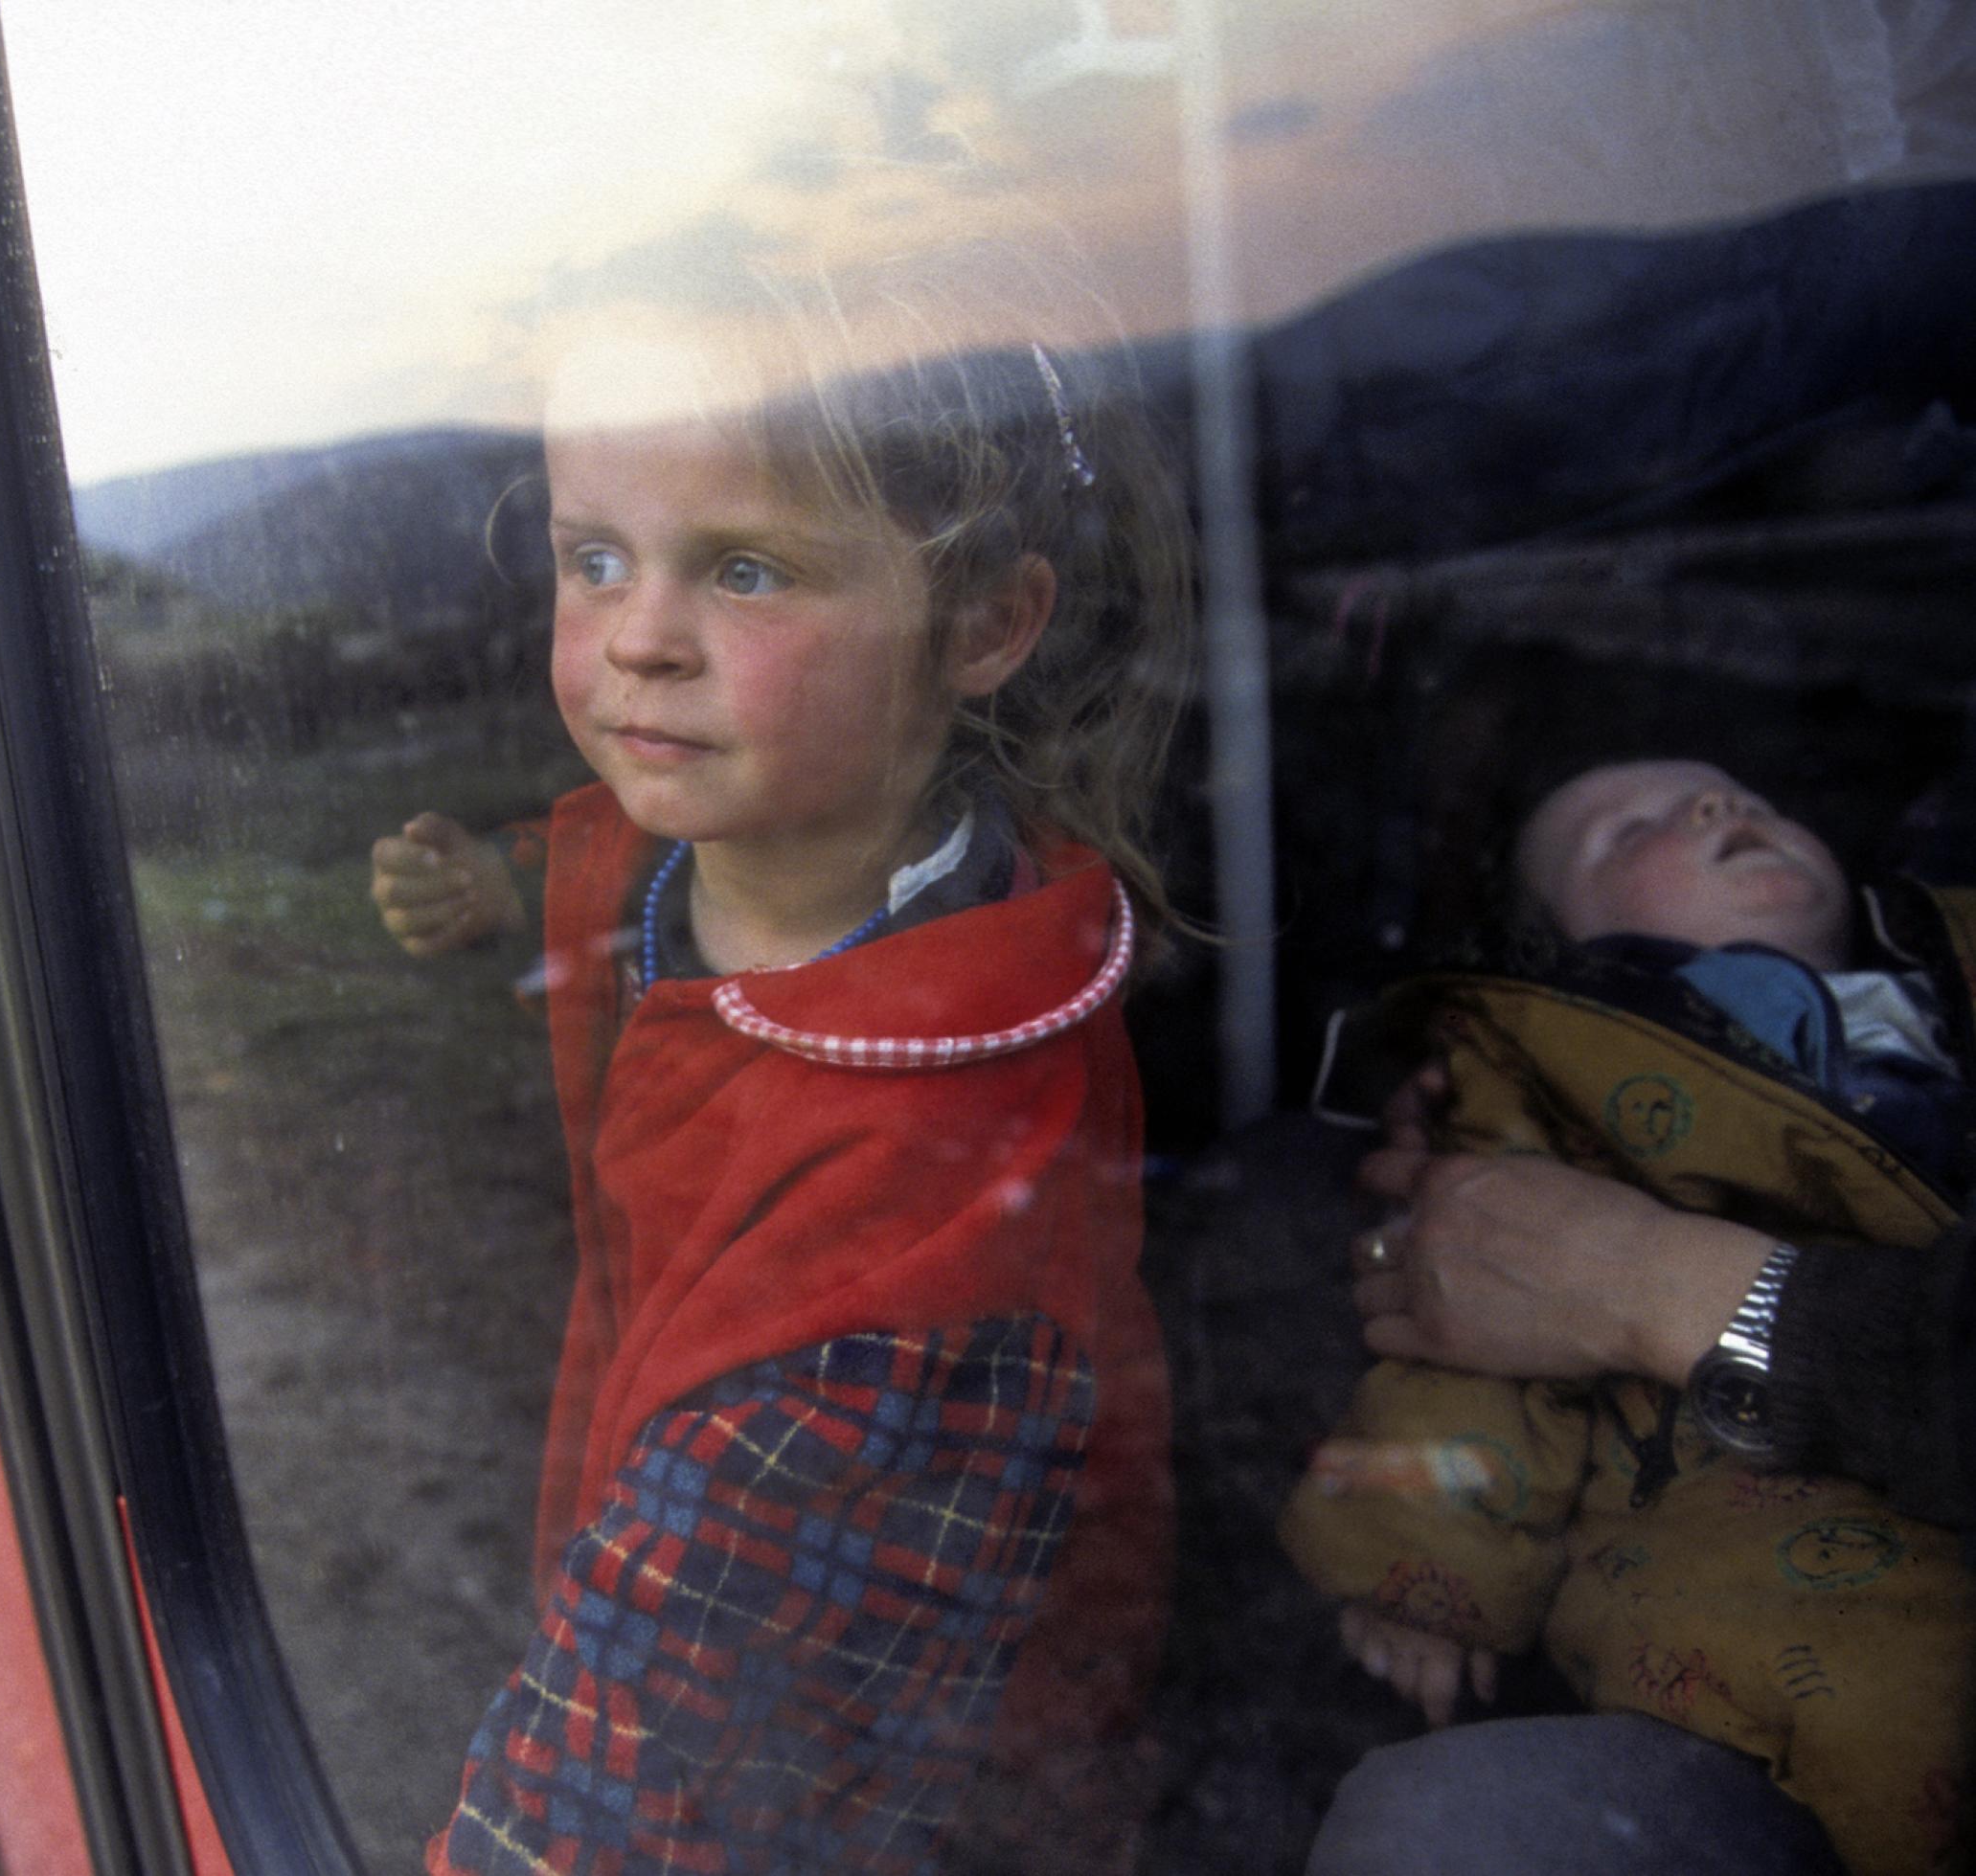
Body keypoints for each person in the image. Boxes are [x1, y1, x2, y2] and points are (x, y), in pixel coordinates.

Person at [369, 251, 1194, 1872]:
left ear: (982, 621)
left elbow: (647, 1792)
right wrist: (493, 893)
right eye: (591, 558)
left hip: (940, 1775)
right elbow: (608, 874)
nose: (639, 641)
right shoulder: (732, 852)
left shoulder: (907, 1233)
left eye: (742, 570)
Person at [1280, 759, 1975, 1876]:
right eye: (1627, 830)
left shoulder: (1947, 984)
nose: (1715, 807)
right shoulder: (1558, 1072)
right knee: (1881, 1712)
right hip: (1752, 1540)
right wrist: (1417, 1570)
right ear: (1566, 954)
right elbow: (1456, 1325)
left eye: (1744, 791)